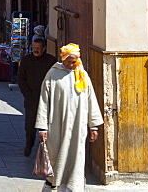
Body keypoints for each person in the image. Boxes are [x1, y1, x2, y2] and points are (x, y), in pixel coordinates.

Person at [36, 43, 104, 191]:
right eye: (70, 62)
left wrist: (93, 126)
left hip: (78, 126)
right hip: (56, 126)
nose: (73, 65)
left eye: (75, 61)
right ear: (64, 59)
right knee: (56, 156)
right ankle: (53, 185)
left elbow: (90, 99)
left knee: (76, 156)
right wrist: (42, 127)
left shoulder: (82, 75)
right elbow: (44, 101)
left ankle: (74, 187)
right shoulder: (52, 75)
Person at [18, 36, 56, 157]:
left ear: (44, 49)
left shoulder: (51, 61)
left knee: (47, 126)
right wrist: (27, 95)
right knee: (30, 126)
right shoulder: (26, 60)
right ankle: (28, 146)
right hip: (31, 99)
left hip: (47, 100)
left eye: (38, 48)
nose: (36, 50)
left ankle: (47, 149)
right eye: (34, 48)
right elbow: (21, 79)